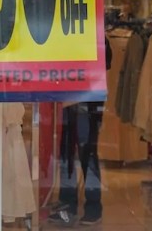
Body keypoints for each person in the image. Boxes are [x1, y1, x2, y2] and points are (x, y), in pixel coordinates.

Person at [48, 39, 112, 227]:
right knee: (67, 154)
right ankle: (68, 206)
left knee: (87, 153)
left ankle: (92, 207)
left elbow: (105, 63)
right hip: (70, 98)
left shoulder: (97, 36)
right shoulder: (68, 31)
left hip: (88, 100)